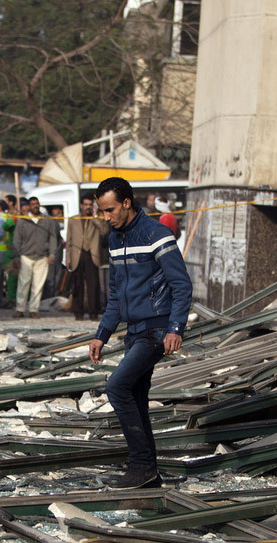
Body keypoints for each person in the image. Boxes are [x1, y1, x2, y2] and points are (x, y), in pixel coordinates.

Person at [89, 177, 192, 488]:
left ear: (126, 203)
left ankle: (141, 465)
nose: (105, 217)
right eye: (101, 211)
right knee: (135, 395)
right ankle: (147, 472)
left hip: (157, 331)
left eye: (109, 210)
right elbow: (117, 294)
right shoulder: (115, 239)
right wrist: (102, 334)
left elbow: (181, 284)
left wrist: (176, 328)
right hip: (134, 331)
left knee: (117, 388)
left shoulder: (156, 234)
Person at [12, 196, 58, 319]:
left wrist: (52, 254)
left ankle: (33, 309)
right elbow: (17, 239)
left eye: (37, 204)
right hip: (26, 256)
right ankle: (20, 308)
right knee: (23, 284)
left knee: (38, 285)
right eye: (33, 204)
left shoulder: (47, 221)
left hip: (42, 256)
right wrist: (16, 256)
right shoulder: (23, 220)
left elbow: (53, 238)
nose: (35, 206)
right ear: (29, 206)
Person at [66, 193, 109, 321]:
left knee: (93, 285)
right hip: (77, 254)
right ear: (81, 205)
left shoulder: (97, 219)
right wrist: (68, 258)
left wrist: (95, 217)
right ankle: (78, 313)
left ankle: (93, 313)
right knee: (77, 285)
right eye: (85, 205)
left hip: (92, 254)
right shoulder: (73, 219)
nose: (87, 207)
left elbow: (104, 231)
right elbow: (69, 240)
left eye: (90, 205)